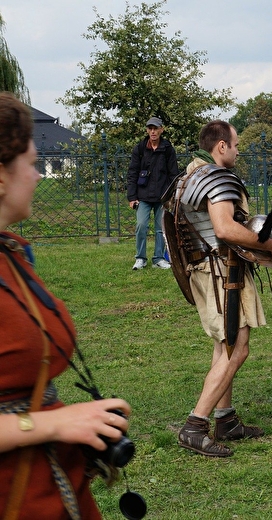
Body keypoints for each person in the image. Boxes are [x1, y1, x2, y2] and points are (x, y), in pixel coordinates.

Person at [0, 92, 131, 519]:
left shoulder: (12, 254)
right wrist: (53, 423)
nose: (38, 176)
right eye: (33, 163)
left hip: (52, 490)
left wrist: (77, 420)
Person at [169, 120, 272, 457]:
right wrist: (271, 246)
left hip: (207, 268)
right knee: (237, 349)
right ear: (221, 146)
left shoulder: (191, 174)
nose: (238, 150)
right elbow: (224, 229)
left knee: (225, 344)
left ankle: (226, 420)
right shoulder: (218, 177)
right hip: (222, 270)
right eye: (235, 145)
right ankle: (195, 425)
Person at [127, 116, 180, 270]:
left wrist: (172, 196)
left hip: (162, 197)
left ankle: (158, 258)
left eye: (155, 128)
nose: (153, 131)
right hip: (143, 196)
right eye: (150, 128)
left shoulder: (168, 149)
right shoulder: (140, 148)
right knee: (141, 225)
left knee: (161, 228)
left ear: (161, 130)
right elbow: (132, 173)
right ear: (147, 130)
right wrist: (132, 197)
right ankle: (140, 258)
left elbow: (173, 175)